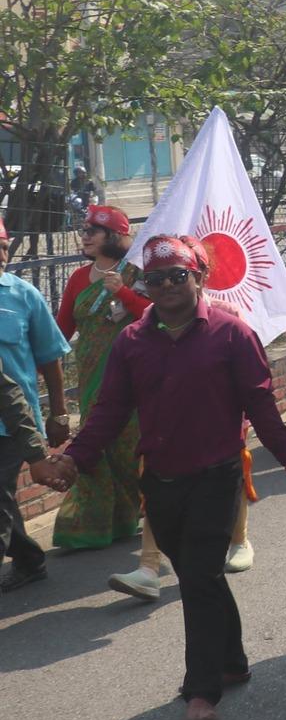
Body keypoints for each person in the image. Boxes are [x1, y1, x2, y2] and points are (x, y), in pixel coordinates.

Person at [44, 236, 286, 720]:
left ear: (199, 276)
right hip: (161, 481)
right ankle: (232, 661)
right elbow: (108, 412)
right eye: (156, 278)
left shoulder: (232, 334)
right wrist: (73, 459)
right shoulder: (132, 342)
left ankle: (201, 689)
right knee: (199, 574)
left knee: (197, 576)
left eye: (177, 275)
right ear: (144, 285)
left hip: (217, 476)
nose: (167, 285)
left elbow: (261, 406)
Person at [55, 206, 147, 555]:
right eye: (84, 230)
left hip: (132, 377)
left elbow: (154, 315)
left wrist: (123, 292)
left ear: (115, 236)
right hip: (91, 378)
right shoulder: (79, 278)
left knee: (127, 449)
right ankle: (90, 526)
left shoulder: (137, 273)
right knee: (95, 445)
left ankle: (133, 515)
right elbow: (62, 330)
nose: (85, 236)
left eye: (93, 230)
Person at [0, 217, 73, 593]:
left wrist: (58, 412)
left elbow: (50, 356)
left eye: (2, 247)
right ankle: (29, 559)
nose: (0, 255)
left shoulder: (24, 295)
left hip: (14, 422)